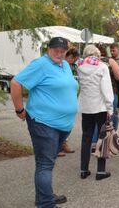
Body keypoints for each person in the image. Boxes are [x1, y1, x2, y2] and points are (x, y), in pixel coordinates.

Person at [11, 36, 78, 208]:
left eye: (63, 50)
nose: (59, 53)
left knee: (47, 162)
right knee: (45, 164)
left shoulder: (65, 66)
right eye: (56, 49)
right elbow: (16, 83)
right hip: (43, 123)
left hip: (62, 125)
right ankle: (46, 203)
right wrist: (20, 110)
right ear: (49, 49)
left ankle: (44, 196)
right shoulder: (41, 64)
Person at [78, 44, 114, 181]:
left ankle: (84, 170)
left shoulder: (80, 67)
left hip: (86, 107)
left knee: (86, 138)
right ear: (97, 55)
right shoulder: (102, 67)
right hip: (100, 108)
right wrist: (110, 108)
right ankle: (100, 171)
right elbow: (106, 90)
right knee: (102, 138)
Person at [58, 47, 80, 156]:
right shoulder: (60, 65)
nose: (74, 62)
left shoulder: (70, 66)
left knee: (67, 123)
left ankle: (63, 144)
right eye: (74, 59)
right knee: (59, 123)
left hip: (69, 98)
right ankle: (57, 147)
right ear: (70, 57)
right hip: (61, 99)